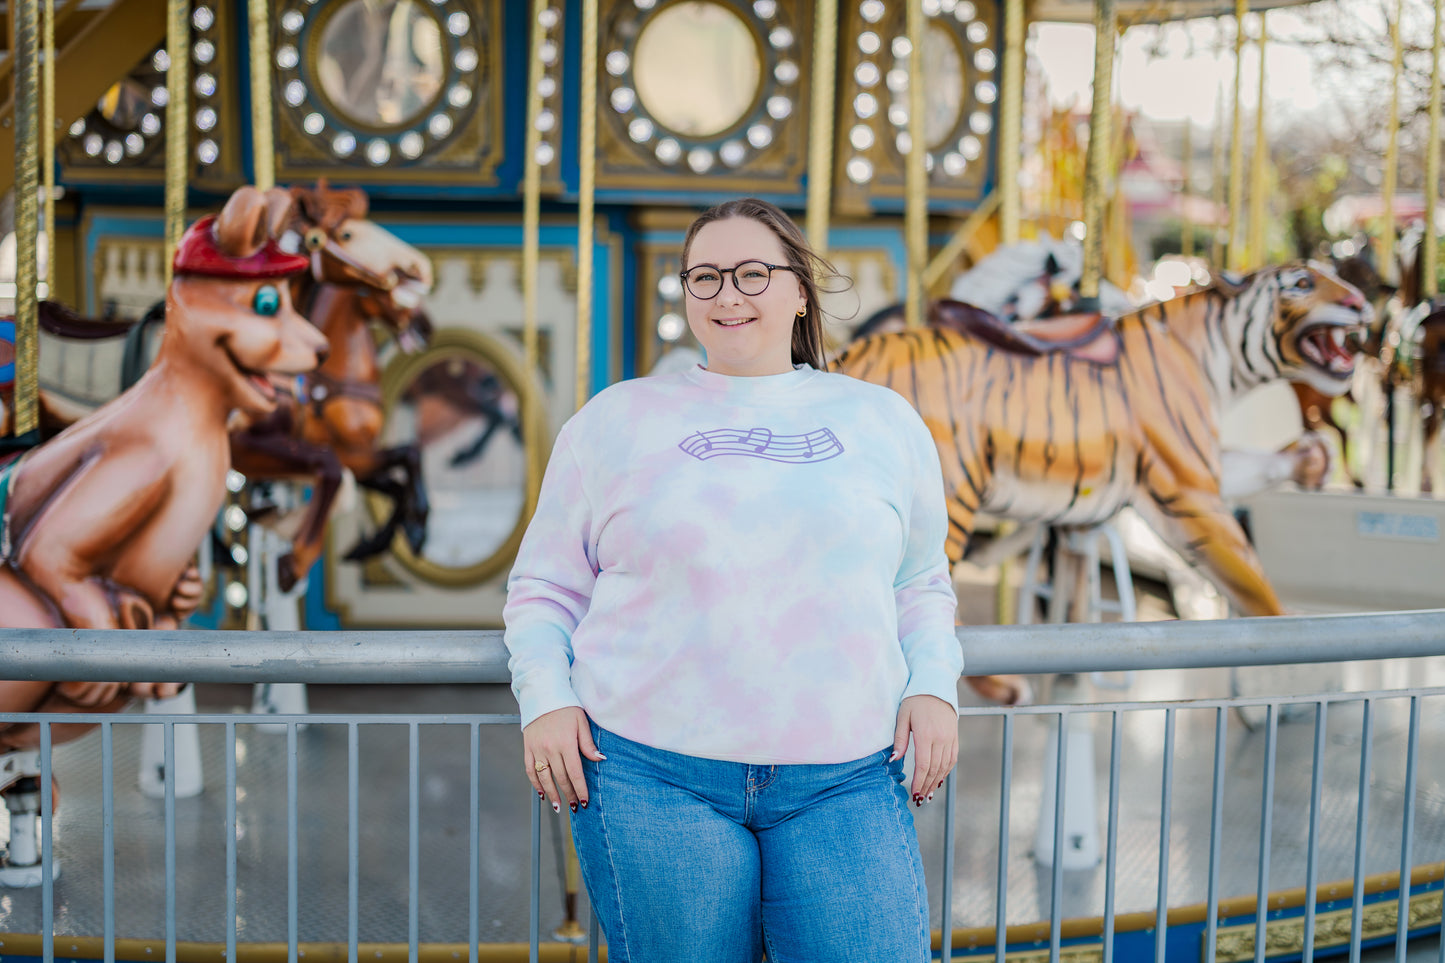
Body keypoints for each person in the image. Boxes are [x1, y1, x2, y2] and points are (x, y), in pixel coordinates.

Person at [502, 198, 963, 962]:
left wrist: (934, 684)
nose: (727, 295)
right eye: (705, 277)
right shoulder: (615, 419)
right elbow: (545, 586)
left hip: (845, 771)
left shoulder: (882, 420)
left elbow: (918, 580)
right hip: (650, 770)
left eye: (752, 273)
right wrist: (545, 698)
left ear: (799, 290)